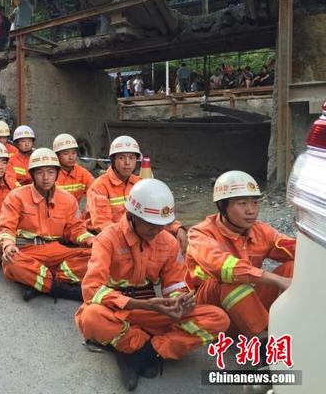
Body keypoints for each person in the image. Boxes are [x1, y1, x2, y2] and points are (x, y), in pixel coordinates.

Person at [76, 179, 230, 391]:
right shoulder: (107, 239)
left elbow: (175, 284)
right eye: (150, 224)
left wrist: (179, 302)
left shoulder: (168, 242)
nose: (156, 230)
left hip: (152, 310)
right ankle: (148, 348)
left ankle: (142, 351)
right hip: (118, 310)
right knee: (91, 317)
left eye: (161, 224)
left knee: (218, 319)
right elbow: (91, 289)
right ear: (132, 216)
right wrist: (144, 305)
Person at [186, 171, 294, 338]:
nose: (251, 210)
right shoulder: (200, 234)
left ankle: (296, 325)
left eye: (255, 202)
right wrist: (277, 280)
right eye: (242, 203)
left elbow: (290, 247)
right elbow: (223, 268)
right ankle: (263, 341)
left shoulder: (260, 231)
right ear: (223, 207)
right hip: (214, 312)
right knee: (230, 280)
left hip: (247, 311)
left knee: (292, 267)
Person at [0, 148, 95, 301]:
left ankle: (39, 281)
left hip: (56, 250)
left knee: (99, 255)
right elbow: (6, 227)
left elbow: (75, 229)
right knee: (12, 262)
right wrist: (8, 245)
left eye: (50, 172)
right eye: (40, 172)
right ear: (32, 174)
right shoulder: (16, 197)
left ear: (57, 173)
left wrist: (90, 240)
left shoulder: (68, 200)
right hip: (27, 250)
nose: (45, 178)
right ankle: (62, 289)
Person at [85, 136, 188, 253]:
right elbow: (102, 224)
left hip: (138, 233)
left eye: (132, 158)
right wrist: (131, 238)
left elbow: (157, 212)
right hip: (110, 237)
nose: (127, 163)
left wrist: (177, 228)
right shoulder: (99, 186)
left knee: (174, 246)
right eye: (121, 157)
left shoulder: (141, 183)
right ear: (113, 160)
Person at [53, 133, 94, 203]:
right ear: (57, 155)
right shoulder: (51, 174)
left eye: (74, 153)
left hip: (74, 212)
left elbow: (95, 191)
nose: (71, 157)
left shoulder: (82, 173)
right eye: (66, 154)